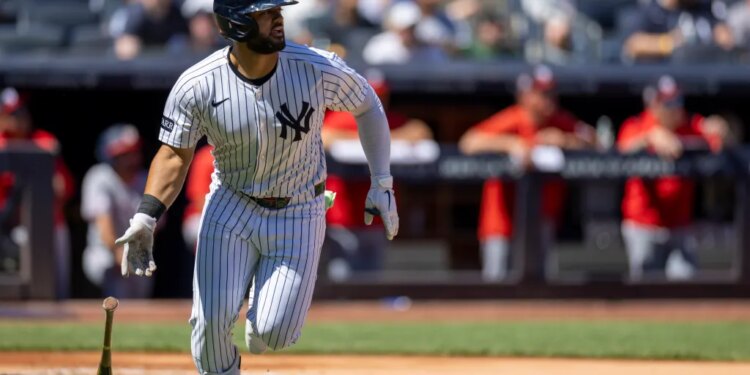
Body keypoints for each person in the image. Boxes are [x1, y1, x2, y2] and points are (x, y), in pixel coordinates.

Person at [113, 1, 399, 373]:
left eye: (277, 9)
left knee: (275, 332)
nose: (277, 18)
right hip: (232, 202)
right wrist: (146, 216)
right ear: (235, 23)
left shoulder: (316, 66)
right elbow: (173, 156)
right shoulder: (198, 83)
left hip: (299, 206)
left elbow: (367, 105)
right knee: (209, 322)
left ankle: (261, 317)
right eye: (263, 12)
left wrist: (382, 182)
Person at [458, 65, 595, 281]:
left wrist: (567, 140)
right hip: (503, 220)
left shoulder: (559, 122)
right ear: (525, 95)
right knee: (498, 285)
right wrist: (510, 143)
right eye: (542, 93)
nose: (549, 99)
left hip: (541, 219)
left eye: (551, 92)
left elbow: (595, 140)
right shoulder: (512, 119)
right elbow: (468, 142)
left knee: (542, 287)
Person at [617, 75, 729, 281]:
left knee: (686, 285)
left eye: (677, 102)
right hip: (643, 224)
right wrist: (650, 137)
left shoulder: (691, 125)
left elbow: (721, 141)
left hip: (680, 226)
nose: (674, 109)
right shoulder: (638, 125)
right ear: (654, 104)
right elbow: (621, 151)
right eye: (667, 103)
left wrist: (721, 129)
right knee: (645, 289)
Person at [322, 73, 432, 280]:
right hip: (344, 215)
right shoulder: (343, 117)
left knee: (373, 280)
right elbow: (324, 136)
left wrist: (382, 139)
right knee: (342, 280)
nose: (376, 98)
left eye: (380, 94)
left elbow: (421, 131)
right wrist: (368, 141)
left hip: (378, 214)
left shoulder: (388, 120)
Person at [0, 87, 75, 299]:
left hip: (51, 224)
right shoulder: (1, 143)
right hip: (12, 228)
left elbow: (64, 187)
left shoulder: (41, 139)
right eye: (13, 113)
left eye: (22, 111)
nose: (20, 117)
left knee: (58, 288)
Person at [81, 124, 151, 298]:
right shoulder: (100, 176)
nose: (131, 160)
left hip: (137, 251)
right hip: (104, 252)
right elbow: (104, 226)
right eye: (124, 155)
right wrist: (120, 252)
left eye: (134, 153)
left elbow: (154, 225)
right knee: (114, 274)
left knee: (140, 289)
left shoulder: (145, 179)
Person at [622, 0, 734, 63]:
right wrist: (668, 43)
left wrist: (720, 37)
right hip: (666, 82)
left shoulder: (707, 9)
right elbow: (633, 45)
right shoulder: (652, 11)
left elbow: (726, 40)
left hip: (706, 79)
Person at [109, 0, 190, 60]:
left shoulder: (178, 14)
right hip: (143, 71)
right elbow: (124, 49)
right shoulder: (136, 14)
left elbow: (193, 46)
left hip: (173, 67)